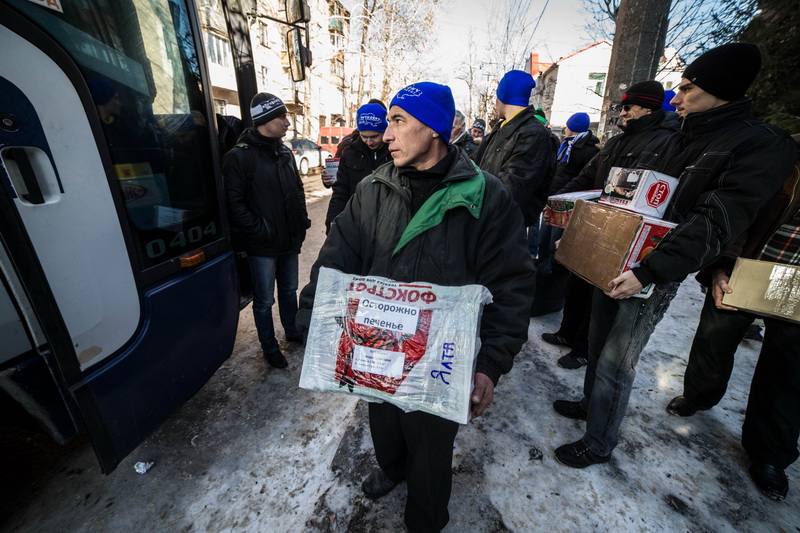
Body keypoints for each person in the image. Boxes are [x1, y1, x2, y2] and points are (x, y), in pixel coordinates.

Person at [297, 82, 534, 532]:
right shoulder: (372, 189)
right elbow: (334, 264)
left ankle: (426, 517)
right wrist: (314, 326)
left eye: (398, 121)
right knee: (383, 423)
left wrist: (490, 364)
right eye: (388, 122)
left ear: (434, 131)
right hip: (376, 348)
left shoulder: (487, 196)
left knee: (430, 447)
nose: (386, 134)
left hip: (439, 362)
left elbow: (512, 285)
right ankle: (392, 467)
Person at [552, 43, 797, 472]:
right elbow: (631, 198)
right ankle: (591, 405)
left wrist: (649, 270)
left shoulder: (759, 143)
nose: (677, 97)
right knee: (596, 340)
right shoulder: (680, 136)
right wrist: (583, 235)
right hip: (620, 258)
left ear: (717, 90)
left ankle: (599, 441)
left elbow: (717, 220)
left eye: (686, 88)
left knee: (616, 358)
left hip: (654, 271)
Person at [666, 133, 800, 501]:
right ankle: (699, 395)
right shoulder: (781, 156)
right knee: (714, 341)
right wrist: (721, 267)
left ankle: (770, 455)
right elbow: (737, 214)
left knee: (788, 373)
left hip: (797, 289)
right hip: (748, 271)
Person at [542, 81, 675, 369]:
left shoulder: (665, 141)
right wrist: (559, 200)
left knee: (596, 293)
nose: (622, 112)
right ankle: (567, 332)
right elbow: (588, 177)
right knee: (576, 282)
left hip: (620, 232)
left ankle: (582, 349)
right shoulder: (616, 141)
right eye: (621, 107)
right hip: (592, 223)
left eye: (628, 106)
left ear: (647, 106)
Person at [223, 92, 311, 369]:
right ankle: (270, 347)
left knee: (289, 290)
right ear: (264, 121)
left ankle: (293, 331)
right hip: (262, 244)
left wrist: (301, 220)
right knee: (263, 301)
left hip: (288, 239)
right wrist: (260, 230)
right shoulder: (239, 157)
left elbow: (298, 190)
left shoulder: (284, 152)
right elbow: (234, 204)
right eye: (282, 117)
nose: (287, 122)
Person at [472, 69, 555, 270]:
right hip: (485, 226)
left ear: (502, 95)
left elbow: (512, 189)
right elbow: (474, 167)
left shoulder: (532, 134)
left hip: (502, 232)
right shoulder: (501, 129)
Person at [531, 112, 600, 315]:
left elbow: (580, 180)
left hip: (567, 205)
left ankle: (550, 287)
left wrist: (561, 198)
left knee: (555, 244)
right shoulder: (566, 145)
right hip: (554, 199)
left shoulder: (586, 149)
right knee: (544, 240)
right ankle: (541, 275)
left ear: (571, 127)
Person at [324, 103, 391, 232]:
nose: (369, 142)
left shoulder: (396, 152)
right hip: (357, 222)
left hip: (388, 224)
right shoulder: (349, 153)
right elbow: (340, 191)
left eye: (374, 136)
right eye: (364, 137)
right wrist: (333, 220)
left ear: (384, 131)